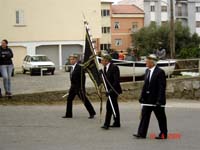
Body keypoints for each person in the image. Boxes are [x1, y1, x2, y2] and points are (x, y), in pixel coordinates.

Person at [133, 54, 168, 139]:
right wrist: (142, 97)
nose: (146, 62)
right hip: (147, 99)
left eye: (147, 61)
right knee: (144, 116)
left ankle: (163, 134)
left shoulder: (160, 72)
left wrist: (159, 100)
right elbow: (145, 86)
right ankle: (141, 133)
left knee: (161, 118)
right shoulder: (147, 71)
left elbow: (161, 87)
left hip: (156, 100)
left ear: (152, 62)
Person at [62, 54, 96, 119]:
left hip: (79, 87)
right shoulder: (72, 67)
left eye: (72, 59)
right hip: (73, 87)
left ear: (76, 60)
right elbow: (72, 78)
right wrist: (71, 87)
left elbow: (83, 78)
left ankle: (92, 113)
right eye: (70, 59)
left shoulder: (79, 67)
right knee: (69, 99)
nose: (71, 61)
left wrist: (82, 88)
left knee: (84, 100)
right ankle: (68, 114)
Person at [101, 55, 122, 130]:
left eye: (102, 60)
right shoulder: (105, 68)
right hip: (109, 90)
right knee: (114, 106)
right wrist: (101, 74)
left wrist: (111, 91)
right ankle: (117, 122)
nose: (101, 61)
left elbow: (116, 81)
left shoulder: (114, 67)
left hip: (114, 90)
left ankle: (106, 124)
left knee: (109, 107)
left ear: (107, 61)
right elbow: (106, 80)